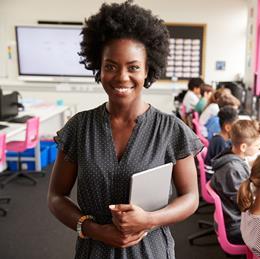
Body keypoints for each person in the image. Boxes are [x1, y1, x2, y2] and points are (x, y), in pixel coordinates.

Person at [47, 2, 203, 258]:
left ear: (148, 69)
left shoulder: (171, 129)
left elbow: (190, 197)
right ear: (98, 66)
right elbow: (56, 196)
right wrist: (92, 229)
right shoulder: (79, 127)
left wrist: (151, 219)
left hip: (151, 251)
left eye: (133, 67)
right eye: (110, 66)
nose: (121, 77)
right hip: (94, 251)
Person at [210, 119, 260, 245]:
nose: (259, 148)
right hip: (236, 227)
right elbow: (246, 205)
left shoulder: (232, 158)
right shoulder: (233, 170)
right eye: (257, 146)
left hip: (236, 219)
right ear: (244, 147)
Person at [204, 106, 238, 180]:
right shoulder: (219, 142)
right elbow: (225, 167)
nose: (238, 129)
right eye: (236, 126)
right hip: (213, 178)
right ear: (228, 128)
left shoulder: (223, 139)